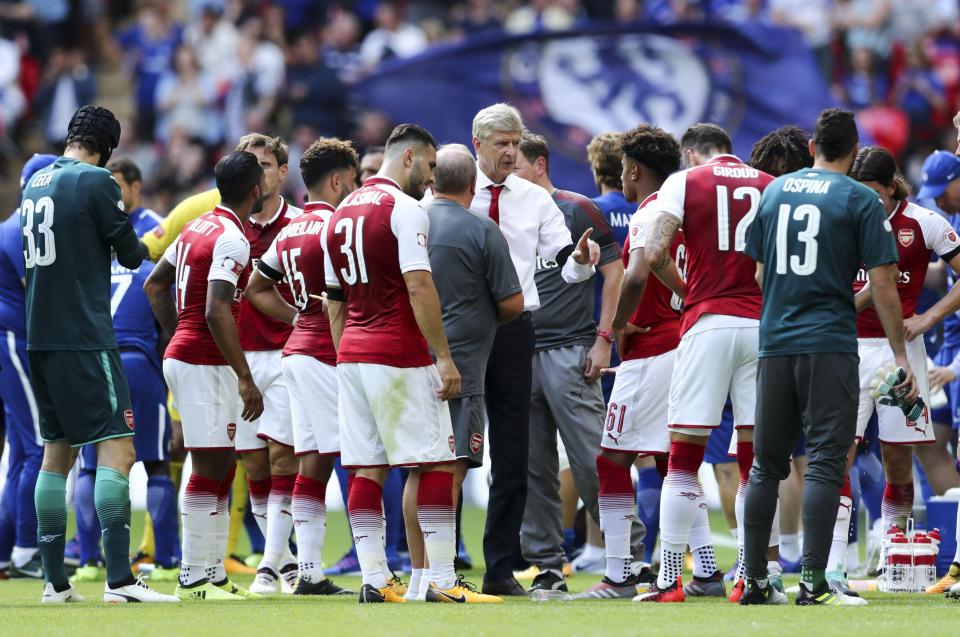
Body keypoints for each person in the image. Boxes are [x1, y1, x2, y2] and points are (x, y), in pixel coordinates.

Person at [741, 108, 915, 606]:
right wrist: (899, 353)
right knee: (823, 461)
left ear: (813, 146)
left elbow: (757, 276)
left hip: (774, 343)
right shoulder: (859, 197)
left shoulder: (774, 191)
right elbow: (882, 282)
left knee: (765, 466)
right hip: (830, 343)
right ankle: (814, 583)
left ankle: (754, 580)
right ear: (854, 151)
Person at [323, 124, 497, 604]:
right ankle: (441, 579)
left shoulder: (339, 216)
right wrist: (443, 357)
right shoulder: (404, 210)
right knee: (438, 462)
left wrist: (346, 355)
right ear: (409, 159)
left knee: (367, 469)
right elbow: (420, 286)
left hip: (353, 356)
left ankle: (376, 579)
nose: (432, 175)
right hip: (398, 353)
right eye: (430, 164)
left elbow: (333, 302)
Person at [22, 105, 176, 604]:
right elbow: (132, 255)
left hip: (38, 338)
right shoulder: (97, 182)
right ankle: (120, 582)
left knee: (56, 455)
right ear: (108, 149)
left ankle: (54, 584)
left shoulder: (35, 182)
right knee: (119, 451)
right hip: (85, 339)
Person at [454, 103, 599, 596]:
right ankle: (442, 564)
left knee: (513, 453)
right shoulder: (452, 193)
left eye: (516, 143)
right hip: (462, 332)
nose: (512, 152)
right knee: (451, 448)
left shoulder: (535, 200)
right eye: (502, 143)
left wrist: (580, 261)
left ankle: (499, 568)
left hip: (516, 330)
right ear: (479, 144)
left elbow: (564, 263)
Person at [637, 123, 774, 603]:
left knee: (683, 458)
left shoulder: (683, 182)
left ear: (691, 153)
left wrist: (687, 290)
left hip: (708, 322)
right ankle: (754, 578)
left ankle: (669, 580)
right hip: (762, 327)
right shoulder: (767, 184)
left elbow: (654, 253)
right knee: (756, 461)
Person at [823, 147, 960, 595]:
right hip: (848, 349)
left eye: (872, 194)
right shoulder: (839, 217)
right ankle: (834, 567)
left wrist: (928, 318)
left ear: (890, 187)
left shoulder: (925, 222)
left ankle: (892, 560)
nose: (865, 202)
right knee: (839, 454)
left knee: (899, 458)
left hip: (903, 351)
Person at [573, 124, 689, 600]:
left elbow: (638, 273)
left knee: (611, 460)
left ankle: (619, 573)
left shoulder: (650, 212)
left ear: (636, 170)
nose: (621, 176)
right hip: (683, 345)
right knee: (673, 462)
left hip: (649, 353)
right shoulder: (686, 211)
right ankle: (701, 571)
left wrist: (617, 325)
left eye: (623, 168)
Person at [145, 150, 266, 601]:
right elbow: (217, 309)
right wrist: (245, 376)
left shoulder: (196, 227)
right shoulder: (233, 239)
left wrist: (178, 334)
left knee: (220, 462)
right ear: (255, 190)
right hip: (203, 362)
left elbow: (154, 284)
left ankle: (211, 573)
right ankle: (194, 575)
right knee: (210, 462)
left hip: (191, 356)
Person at [243, 136, 360, 596]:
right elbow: (340, 300)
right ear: (336, 181)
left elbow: (256, 286)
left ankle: (301, 569)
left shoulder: (291, 230)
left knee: (310, 461)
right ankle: (371, 568)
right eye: (352, 183)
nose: (355, 190)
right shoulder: (337, 228)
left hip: (293, 352)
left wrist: (298, 318)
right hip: (325, 355)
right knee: (352, 458)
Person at [512, 131, 625, 594]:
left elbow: (614, 273)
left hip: (570, 350)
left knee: (592, 459)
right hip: (520, 352)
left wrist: (603, 340)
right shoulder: (506, 212)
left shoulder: (577, 207)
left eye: (513, 161)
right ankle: (547, 566)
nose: (506, 170)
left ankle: (626, 556)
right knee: (531, 467)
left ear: (539, 164)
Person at [418, 143, 523, 600]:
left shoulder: (411, 222)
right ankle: (442, 578)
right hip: (461, 368)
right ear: (474, 184)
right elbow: (512, 302)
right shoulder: (482, 229)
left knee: (418, 469)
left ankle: (422, 575)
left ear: (431, 180)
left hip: (410, 362)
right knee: (452, 468)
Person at [73, 157, 181, 584]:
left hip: (98, 359)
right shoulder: (150, 236)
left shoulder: (137, 228)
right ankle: (167, 559)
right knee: (153, 464)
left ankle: (88, 560)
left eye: (119, 187)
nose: (114, 196)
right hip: (135, 360)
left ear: (137, 187)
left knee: (91, 465)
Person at [231, 134, 303, 596]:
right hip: (237, 360)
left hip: (286, 354)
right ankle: (290, 560)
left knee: (283, 458)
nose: (259, 172)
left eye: (266, 163)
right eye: (250, 164)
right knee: (255, 466)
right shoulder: (224, 226)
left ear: (282, 172)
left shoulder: (299, 225)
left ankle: (268, 564)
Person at [0, 154, 56, 580]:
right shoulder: (24, 230)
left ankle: (7, 549)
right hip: (16, 339)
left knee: (21, 450)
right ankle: (24, 551)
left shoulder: (10, 225)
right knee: (38, 446)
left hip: (9, 339)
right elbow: (35, 289)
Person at [909, 147, 960, 595]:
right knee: (934, 445)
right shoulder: (947, 217)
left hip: (951, 355)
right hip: (948, 350)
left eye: (945, 191)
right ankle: (948, 555)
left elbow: (942, 280)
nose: (939, 199)